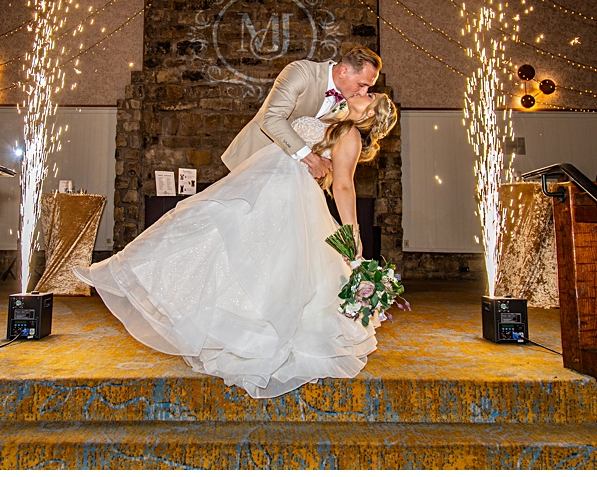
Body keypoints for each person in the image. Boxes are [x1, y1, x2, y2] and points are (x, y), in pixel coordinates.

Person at [75, 47, 398, 398]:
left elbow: (345, 186)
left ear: (370, 116)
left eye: (370, 94)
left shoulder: (348, 134)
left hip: (289, 196)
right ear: (346, 71)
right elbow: (274, 120)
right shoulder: (319, 96)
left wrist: (352, 233)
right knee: (211, 229)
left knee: (268, 263)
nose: (365, 91)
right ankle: (131, 268)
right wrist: (309, 158)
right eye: (365, 85)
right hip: (263, 178)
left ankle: (256, 338)